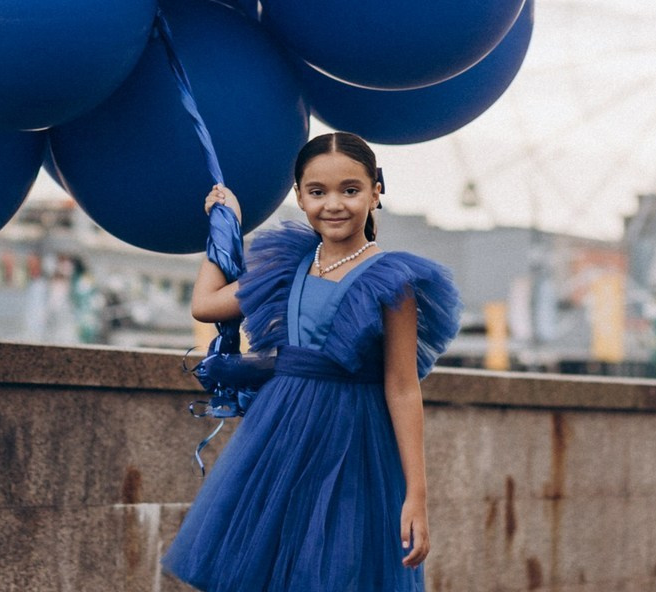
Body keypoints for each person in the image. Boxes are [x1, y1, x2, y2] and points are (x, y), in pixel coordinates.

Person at [163, 130, 461, 592]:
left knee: (337, 568)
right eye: (318, 192)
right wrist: (227, 226)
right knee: (269, 566)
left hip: (354, 442)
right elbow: (205, 305)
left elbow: (402, 387)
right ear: (299, 197)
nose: (334, 204)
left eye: (350, 189)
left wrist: (416, 495)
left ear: (375, 193)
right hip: (280, 434)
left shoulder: (392, 282)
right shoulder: (289, 264)